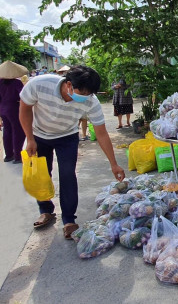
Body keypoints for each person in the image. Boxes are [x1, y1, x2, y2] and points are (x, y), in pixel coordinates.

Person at [19, 65, 125, 239]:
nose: (84, 98)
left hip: (67, 137)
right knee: (41, 174)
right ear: (68, 84)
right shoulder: (39, 84)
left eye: (89, 94)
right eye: (81, 93)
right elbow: (24, 109)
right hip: (38, 135)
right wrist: (29, 138)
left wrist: (113, 164)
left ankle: (69, 219)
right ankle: (45, 210)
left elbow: (101, 133)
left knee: (68, 174)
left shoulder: (91, 101)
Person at [0, 61, 28, 164]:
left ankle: (8, 155)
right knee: (18, 131)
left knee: (7, 131)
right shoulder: (16, 83)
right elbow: (22, 96)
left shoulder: (0, 82)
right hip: (14, 109)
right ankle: (17, 156)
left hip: (2, 109)